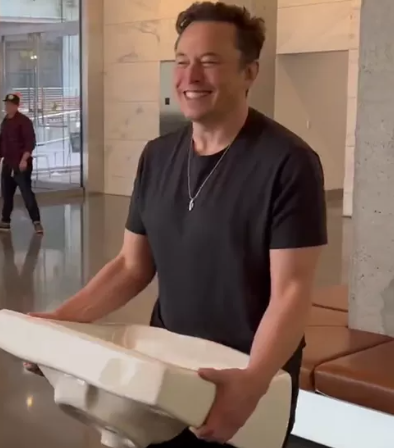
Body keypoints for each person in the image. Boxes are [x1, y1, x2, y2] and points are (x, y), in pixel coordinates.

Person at [25, 2, 326, 447]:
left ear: (250, 73)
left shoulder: (289, 163)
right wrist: (60, 321)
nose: (191, 76)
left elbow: (292, 291)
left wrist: (254, 380)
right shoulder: (157, 155)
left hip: (242, 371)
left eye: (210, 62)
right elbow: (131, 266)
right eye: (182, 61)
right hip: (166, 367)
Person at [0, 93, 43, 234]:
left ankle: (36, 221)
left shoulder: (24, 121)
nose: (8, 107)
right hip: (8, 164)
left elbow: (30, 143)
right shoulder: (5, 121)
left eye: (11, 104)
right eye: (7, 104)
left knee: (27, 193)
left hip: (21, 164)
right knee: (6, 194)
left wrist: (24, 159)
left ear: (17, 105)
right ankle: (5, 221)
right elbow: (2, 142)